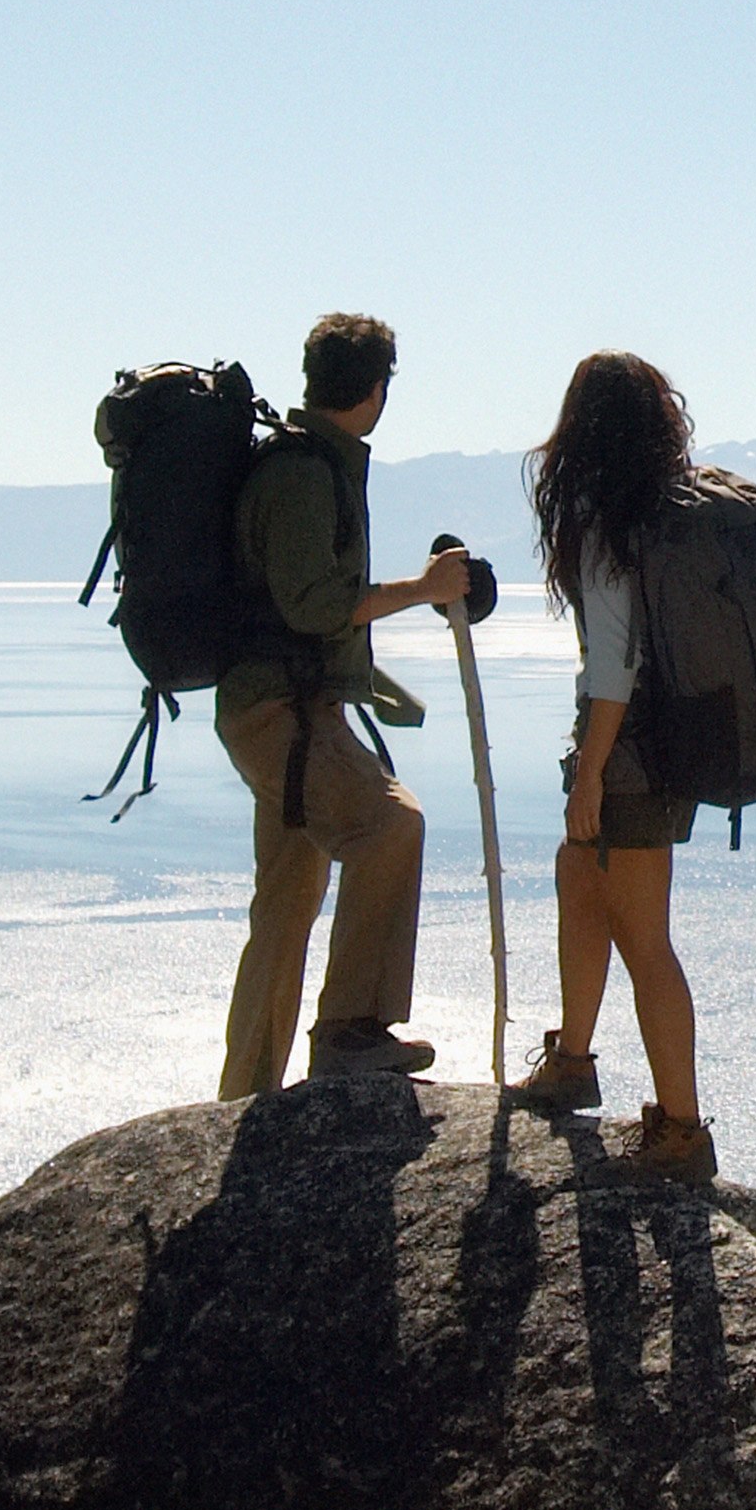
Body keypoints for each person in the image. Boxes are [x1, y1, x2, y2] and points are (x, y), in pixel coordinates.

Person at [221, 311, 464, 1099]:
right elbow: (314, 604)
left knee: (287, 907)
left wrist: (378, 690)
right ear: (375, 389)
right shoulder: (301, 473)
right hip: (281, 716)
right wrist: (424, 590)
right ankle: (350, 1033)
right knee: (391, 826)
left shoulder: (313, 464)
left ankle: (245, 1096)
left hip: (288, 710)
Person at [510, 346, 714, 1180]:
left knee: (642, 935)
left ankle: (682, 1130)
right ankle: (575, 1059)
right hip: (658, 745)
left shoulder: (606, 516)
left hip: (624, 747)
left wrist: (590, 771)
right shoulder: (661, 510)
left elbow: (614, 663)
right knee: (579, 878)